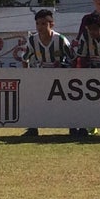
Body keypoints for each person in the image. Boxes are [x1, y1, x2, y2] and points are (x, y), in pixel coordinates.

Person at [21, 9, 74, 137]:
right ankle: (33, 128)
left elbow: (73, 58)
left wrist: (66, 71)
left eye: (44, 24)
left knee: (65, 103)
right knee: (35, 101)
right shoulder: (33, 40)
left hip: (59, 78)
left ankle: (73, 127)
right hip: (40, 77)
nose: (40, 27)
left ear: (52, 24)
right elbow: (24, 58)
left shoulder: (60, 40)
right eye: (38, 24)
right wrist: (27, 75)